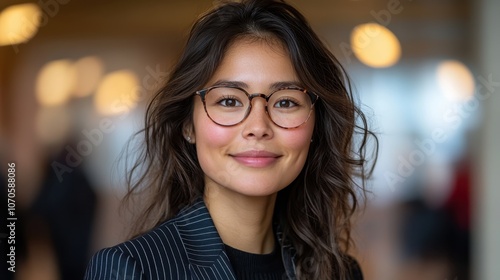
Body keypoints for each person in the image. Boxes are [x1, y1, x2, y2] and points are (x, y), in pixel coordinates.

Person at [85, 0, 377, 279]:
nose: (258, 127)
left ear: (316, 125)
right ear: (188, 124)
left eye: (286, 102)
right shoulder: (133, 269)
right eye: (228, 101)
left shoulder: (341, 272)